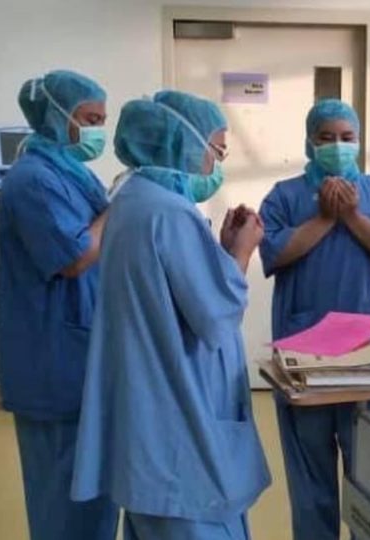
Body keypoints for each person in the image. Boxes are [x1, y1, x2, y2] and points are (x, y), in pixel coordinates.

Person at [71, 90, 271, 540]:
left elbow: (177, 293)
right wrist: (240, 252)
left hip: (150, 420)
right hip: (178, 425)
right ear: (183, 142)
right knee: (192, 519)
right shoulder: (169, 212)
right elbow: (216, 314)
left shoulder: (133, 200)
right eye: (216, 150)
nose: (215, 165)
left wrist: (217, 253)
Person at [259, 99, 370, 540]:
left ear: (359, 141)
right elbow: (274, 254)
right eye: (326, 137)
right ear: (309, 142)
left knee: (369, 473)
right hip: (303, 351)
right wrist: (324, 218)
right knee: (310, 478)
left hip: (367, 353)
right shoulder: (284, 196)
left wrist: (351, 216)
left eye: (347, 138)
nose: (337, 145)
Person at [0, 70, 118, 540]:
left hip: (81, 353)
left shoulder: (71, 172)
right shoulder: (32, 181)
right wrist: (118, 206)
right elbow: (75, 256)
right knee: (63, 500)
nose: (98, 130)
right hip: (53, 363)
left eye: (103, 119)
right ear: (57, 116)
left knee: (92, 498)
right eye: (90, 118)